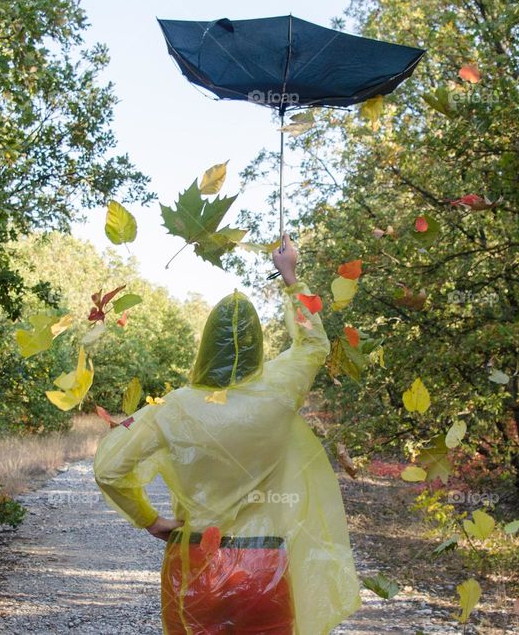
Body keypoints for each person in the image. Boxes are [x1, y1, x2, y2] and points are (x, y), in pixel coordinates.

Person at [93, 233, 361, 634]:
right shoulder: (279, 392)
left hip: (194, 563)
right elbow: (313, 343)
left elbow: (110, 469)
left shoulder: (172, 407)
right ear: (256, 348)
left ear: (204, 347)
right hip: (264, 567)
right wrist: (290, 275)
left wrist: (149, 520)